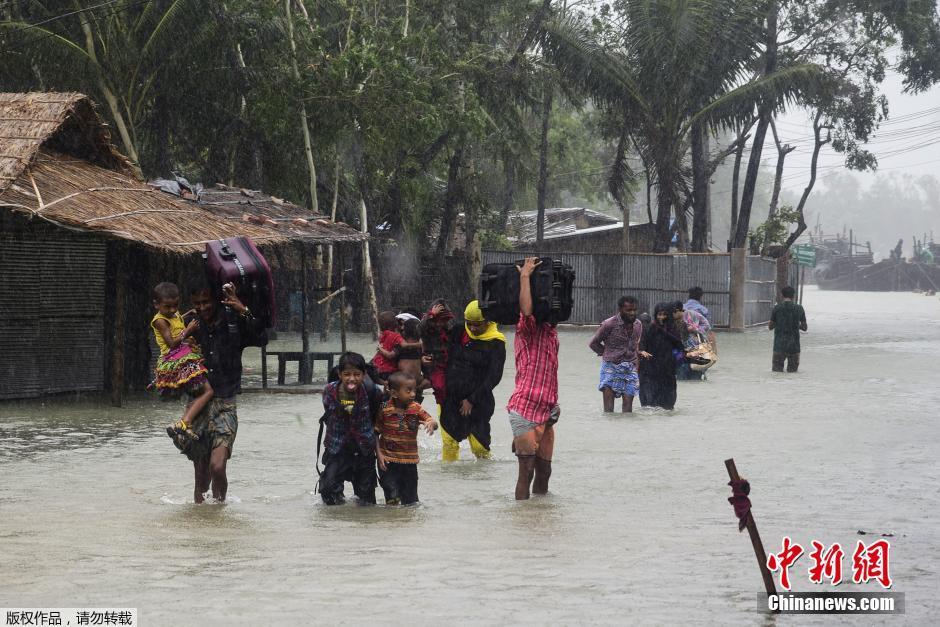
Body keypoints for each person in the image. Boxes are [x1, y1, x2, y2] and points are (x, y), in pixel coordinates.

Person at [185, 282, 266, 503]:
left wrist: (243, 309)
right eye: (197, 304)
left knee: (218, 466)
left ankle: (220, 508)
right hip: (197, 405)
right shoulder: (190, 325)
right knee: (201, 479)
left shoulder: (233, 322)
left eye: (206, 302)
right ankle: (204, 523)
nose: (202, 308)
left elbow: (262, 338)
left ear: (217, 301)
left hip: (226, 404)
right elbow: (168, 348)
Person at [507, 257, 560, 500]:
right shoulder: (527, 330)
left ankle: (539, 516)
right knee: (525, 473)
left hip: (547, 410)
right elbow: (526, 310)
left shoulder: (551, 333)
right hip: (525, 409)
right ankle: (522, 519)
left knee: (545, 472)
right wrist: (525, 276)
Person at [439, 300, 507, 461]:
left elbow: (494, 377)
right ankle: (446, 477)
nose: (473, 329)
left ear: (488, 322)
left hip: (479, 401)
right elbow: (440, 350)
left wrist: (471, 399)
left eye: (478, 325)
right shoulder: (458, 331)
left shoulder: (496, 343)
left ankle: (483, 481)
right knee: (449, 443)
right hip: (450, 398)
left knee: (479, 448)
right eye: (470, 324)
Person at [150, 282, 214, 442]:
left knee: (198, 391)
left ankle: (187, 425)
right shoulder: (159, 321)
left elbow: (176, 321)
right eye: (168, 307)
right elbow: (172, 343)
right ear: (156, 304)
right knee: (208, 391)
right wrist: (189, 330)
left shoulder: (172, 314)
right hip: (176, 357)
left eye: (176, 306)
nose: (172, 310)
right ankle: (184, 422)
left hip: (184, 353)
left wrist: (186, 314)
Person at [318, 352, 381, 505]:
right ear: (339, 374)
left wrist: (379, 451)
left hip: (363, 450)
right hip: (337, 448)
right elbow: (328, 415)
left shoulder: (372, 392)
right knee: (328, 491)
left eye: (357, 374)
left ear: (364, 374)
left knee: (366, 501)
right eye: (347, 374)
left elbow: (376, 421)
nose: (352, 379)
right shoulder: (329, 391)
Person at [376, 372, 438, 505]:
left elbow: (431, 420)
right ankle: (393, 522)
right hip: (387, 461)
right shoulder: (384, 409)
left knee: (411, 501)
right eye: (408, 391)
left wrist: (432, 424)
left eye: (414, 390)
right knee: (392, 498)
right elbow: (375, 433)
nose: (413, 394)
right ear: (394, 393)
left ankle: (409, 523)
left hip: (409, 462)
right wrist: (379, 454)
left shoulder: (415, 408)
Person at [589, 296, 642, 412]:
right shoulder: (609, 324)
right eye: (628, 310)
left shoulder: (638, 325)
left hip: (630, 367)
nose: (632, 313)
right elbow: (593, 343)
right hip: (610, 367)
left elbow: (635, 347)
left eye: (634, 310)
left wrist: (636, 367)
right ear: (620, 309)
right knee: (609, 411)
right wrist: (607, 353)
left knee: (628, 410)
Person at [638, 302, 685, 410]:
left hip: (667, 371)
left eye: (664, 314)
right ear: (655, 315)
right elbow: (642, 348)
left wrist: (678, 359)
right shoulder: (649, 329)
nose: (662, 317)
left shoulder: (673, 330)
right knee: (649, 406)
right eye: (659, 314)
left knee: (668, 405)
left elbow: (679, 347)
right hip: (650, 371)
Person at [419, 299, 456, 407]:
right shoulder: (427, 330)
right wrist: (431, 315)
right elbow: (419, 329)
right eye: (437, 320)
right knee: (439, 387)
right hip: (434, 365)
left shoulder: (449, 329)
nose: (440, 324)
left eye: (443, 320)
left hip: (449, 364)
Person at [769, 286, 807, 372]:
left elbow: (770, 327)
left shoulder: (777, 308)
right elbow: (805, 328)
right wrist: (796, 325)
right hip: (794, 347)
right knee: (792, 374)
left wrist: (780, 323)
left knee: (776, 374)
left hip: (779, 346)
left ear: (782, 295)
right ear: (793, 296)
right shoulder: (799, 308)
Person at [372, 310, 404, 384]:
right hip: (388, 370)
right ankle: (385, 383)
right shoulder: (396, 336)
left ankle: (384, 383)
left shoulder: (383, 335)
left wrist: (380, 348)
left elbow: (389, 354)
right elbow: (390, 355)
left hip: (380, 368)